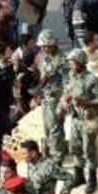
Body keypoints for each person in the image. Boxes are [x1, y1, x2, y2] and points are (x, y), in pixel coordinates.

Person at [61, 48, 98, 194]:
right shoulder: (71, 76)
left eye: (72, 62)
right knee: (75, 148)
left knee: (89, 150)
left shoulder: (91, 79)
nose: (70, 65)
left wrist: (86, 103)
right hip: (75, 119)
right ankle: (79, 176)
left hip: (87, 119)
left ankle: (92, 179)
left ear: (80, 63)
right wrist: (65, 101)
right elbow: (66, 93)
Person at [35, 30, 68, 165]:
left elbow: (68, 82)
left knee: (55, 130)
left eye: (45, 46)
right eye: (41, 46)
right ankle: (53, 153)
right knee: (48, 128)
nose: (42, 49)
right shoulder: (47, 58)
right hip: (47, 98)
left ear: (52, 44)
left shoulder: (62, 60)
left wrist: (63, 103)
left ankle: (57, 158)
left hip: (56, 99)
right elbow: (43, 76)